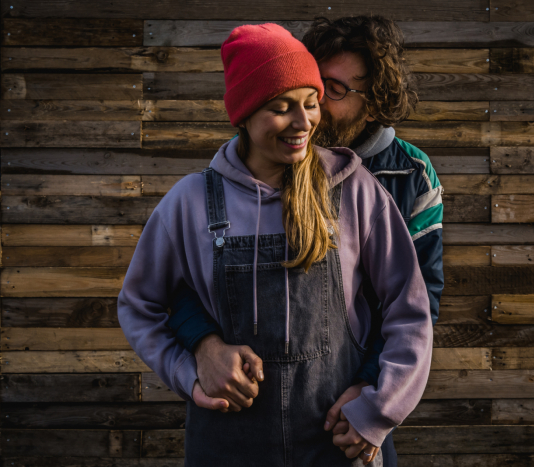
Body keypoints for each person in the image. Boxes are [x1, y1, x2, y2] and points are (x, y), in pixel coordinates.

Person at [117, 23, 433, 466]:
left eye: (311, 103)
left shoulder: (354, 191)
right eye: (282, 108)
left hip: (336, 442)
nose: (303, 123)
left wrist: (377, 410)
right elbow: (140, 305)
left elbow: (411, 309)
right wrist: (190, 373)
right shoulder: (189, 203)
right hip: (227, 446)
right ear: (243, 114)